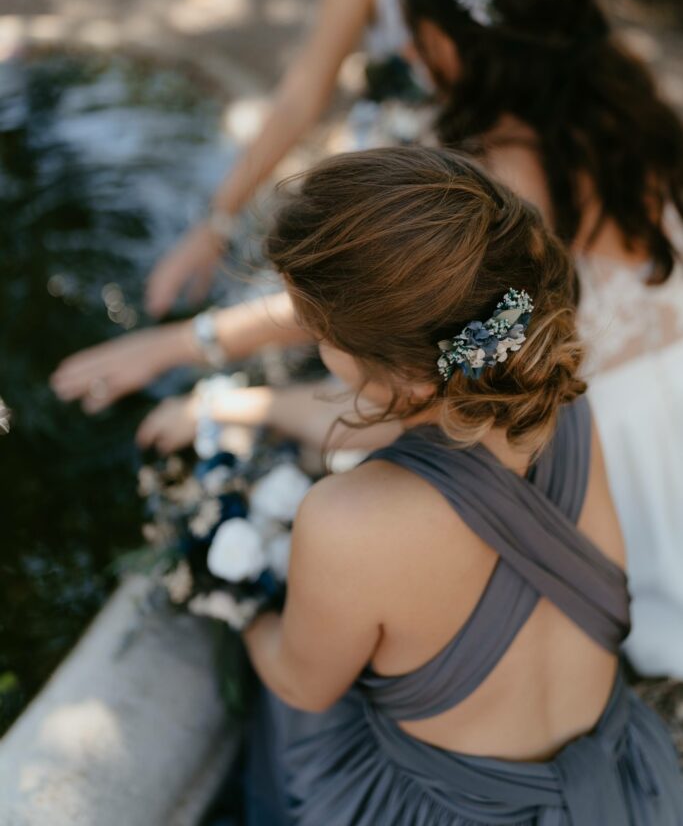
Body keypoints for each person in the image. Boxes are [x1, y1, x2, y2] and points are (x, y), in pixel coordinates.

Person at [145, 148, 683, 824]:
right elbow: (423, 430)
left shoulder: (348, 522)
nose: (311, 338)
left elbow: (302, 686)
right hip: (625, 777)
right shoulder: (559, 402)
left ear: (406, 378)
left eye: (315, 327)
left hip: (451, 807)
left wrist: (239, 605)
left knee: (293, 709)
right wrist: (235, 405)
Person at [142, 0, 591, 318]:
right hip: (400, 176)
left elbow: (568, 72)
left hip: (519, 171)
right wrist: (216, 222)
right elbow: (302, 92)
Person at [398, 0, 683, 683]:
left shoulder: (498, 181)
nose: (405, 50)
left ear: (459, 47)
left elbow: (462, 359)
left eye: (416, 31)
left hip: (616, 445)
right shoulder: (628, 108)